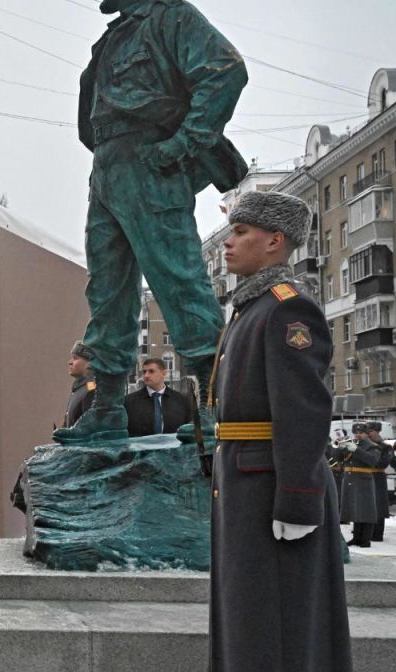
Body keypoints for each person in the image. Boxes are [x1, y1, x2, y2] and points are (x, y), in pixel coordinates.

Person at [55, 0, 247, 444]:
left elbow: (225, 70)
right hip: (108, 167)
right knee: (107, 291)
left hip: (150, 163)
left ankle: (215, 403)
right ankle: (106, 408)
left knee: (178, 280)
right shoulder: (113, 36)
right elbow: (91, 119)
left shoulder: (170, 16)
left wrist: (183, 143)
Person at [208, 191, 352, 672]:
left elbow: (303, 412)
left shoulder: (288, 306)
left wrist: (297, 501)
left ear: (274, 241)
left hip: (274, 490)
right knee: (265, 625)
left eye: (241, 232)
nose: (229, 241)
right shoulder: (252, 307)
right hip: (248, 485)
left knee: (301, 631)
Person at [123, 358, 193, 437]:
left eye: (151, 371)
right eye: (144, 372)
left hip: (173, 448)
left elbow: (189, 428)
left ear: (163, 373)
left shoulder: (182, 400)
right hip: (142, 447)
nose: (146, 375)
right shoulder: (129, 402)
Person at [337, 423, 380, 548]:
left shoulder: (372, 446)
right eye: (356, 433)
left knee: (366, 511)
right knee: (354, 510)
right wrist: (340, 448)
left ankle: (366, 539)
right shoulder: (352, 444)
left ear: (367, 434)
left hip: (364, 480)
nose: (358, 435)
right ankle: (356, 537)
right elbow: (338, 459)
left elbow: (372, 460)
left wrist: (356, 450)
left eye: (361, 433)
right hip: (350, 479)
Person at [366, 422, 391, 542]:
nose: (368, 433)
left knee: (379, 506)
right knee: (366, 504)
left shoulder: (385, 446)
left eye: (370, 431)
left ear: (377, 431)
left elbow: (383, 463)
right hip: (366, 476)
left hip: (377, 476)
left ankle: (377, 534)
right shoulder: (364, 444)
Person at [64, 341, 97, 428]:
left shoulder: (91, 389)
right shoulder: (79, 388)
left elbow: (88, 427)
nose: (70, 362)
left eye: (75, 358)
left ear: (89, 363)